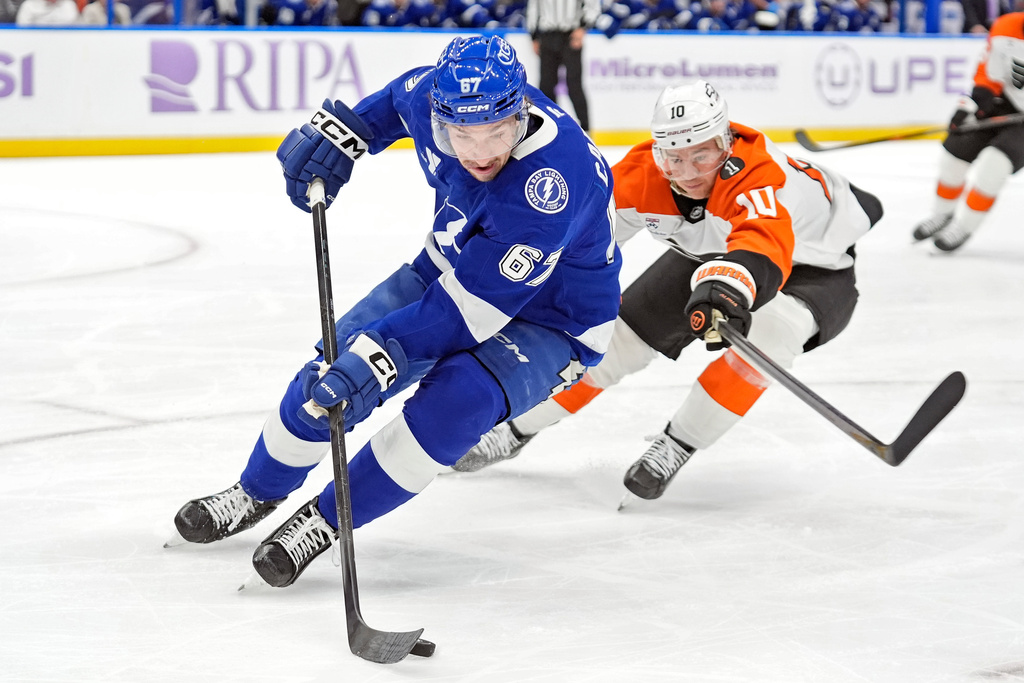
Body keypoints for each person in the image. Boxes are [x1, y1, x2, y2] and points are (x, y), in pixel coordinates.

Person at [168, 35, 621, 588]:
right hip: (448, 269)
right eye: (463, 135)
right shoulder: (426, 94)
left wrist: (381, 359)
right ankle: (255, 491)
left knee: (456, 403)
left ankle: (324, 521)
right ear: (441, 115)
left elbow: (464, 315)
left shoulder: (549, 185)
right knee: (329, 373)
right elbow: (378, 115)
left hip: (554, 319)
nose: (481, 153)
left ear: (520, 110)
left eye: (498, 133)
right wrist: (339, 138)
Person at [453, 80, 884, 507]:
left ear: (726, 143)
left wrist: (727, 292)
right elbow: (582, 237)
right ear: (659, 152)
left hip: (815, 272)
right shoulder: (644, 175)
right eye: (675, 158)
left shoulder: (758, 177)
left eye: (703, 153)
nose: (691, 171)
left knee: (766, 344)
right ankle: (516, 430)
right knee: (612, 342)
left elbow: (762, 244)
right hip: (716, 255)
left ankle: (679, 443)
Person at [912, 11, 1024, 251]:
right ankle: (942, 214)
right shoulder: (1008, 26)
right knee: (954, 154)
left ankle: (964, 227)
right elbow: (989, 74)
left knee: (995, 166)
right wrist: (972, 104)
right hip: (1003, 103)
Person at [526, 0, 600, 134]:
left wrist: (582, 28)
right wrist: (534, 36)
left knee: (574, 85)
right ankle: (549, 127)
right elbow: (533, 7)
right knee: (546, 86)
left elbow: (593, 6)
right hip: (547, 36)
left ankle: (586, 129)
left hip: (571, 35)